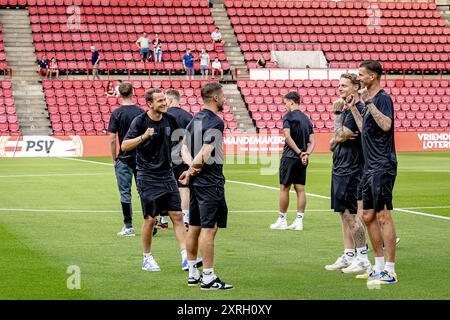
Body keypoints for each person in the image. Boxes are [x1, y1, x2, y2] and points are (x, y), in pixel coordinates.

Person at [121, 88, 188, 271]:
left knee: (177, 215)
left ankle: (185, 257)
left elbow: (181, 137)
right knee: (150, 219)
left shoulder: (170, 119)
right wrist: (144, 136)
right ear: (149, 104)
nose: (164, 103)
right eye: (159, 101)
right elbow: (125, 145)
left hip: (167, 174)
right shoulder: (140, 121)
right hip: (147, 176)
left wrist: (175, 153)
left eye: (164, 100)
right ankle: (147, 258)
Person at [346, 60, 399, 285]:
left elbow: (386, 125)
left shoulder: (383, 98)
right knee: (367, 216)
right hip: (369, 166)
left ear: (372, 77)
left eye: (361, 74)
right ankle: (377, 267)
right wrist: (354, 107)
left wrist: (369, 103)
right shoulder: (369, 102)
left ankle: (390, 270)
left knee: (383, 215)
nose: (358, 78)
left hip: (382, 165)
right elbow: (363, 129)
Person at [179, 82, 233, 290]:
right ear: (216, 98)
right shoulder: (216, 122)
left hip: (197, 183)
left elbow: (183, 148)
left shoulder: (195, 119)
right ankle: (208, 277)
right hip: (210, 182)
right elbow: (206, 151)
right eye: (223, 96)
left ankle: (193, 273)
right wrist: (193, 167)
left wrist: (190, 169)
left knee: (194, 227)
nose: (225, 100)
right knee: (209, 229)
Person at [325, 73, 370, 273]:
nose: (340, 88)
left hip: (352, 169)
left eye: (344, 85)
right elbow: (332, 143)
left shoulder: (356, 110)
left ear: (355, 87)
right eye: (339, 85)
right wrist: (338, 136)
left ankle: (362, 257)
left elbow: (338, 135)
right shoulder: (345, 110)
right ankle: (349, 254)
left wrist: (336, 119)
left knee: (352, 216)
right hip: (340, 168)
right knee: (344, 215)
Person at [270, 92, 316, 231]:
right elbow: (312, 140)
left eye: (285, 103)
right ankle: (299, 221)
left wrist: (299, 152)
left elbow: (287, 137)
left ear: (291, 102)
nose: (284, 106)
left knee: (284, 188)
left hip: (290, 157)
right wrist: (306, 154)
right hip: (302, 159)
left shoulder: (288, 117)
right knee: (300, 189)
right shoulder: (306, 119)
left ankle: (282, 220)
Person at [107, 83, 145, 237]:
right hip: (141, 158)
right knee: (144, 191)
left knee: (125, 193)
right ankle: (151, 222)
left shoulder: (117, 113)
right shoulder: (141, 112)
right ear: (133, 93)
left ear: (119, 95)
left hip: (124, 158)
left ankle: (128, 226)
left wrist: (114, 158)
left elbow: (111, 138)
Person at [158, 89, 194, 232]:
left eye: (165, 100)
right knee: (184, 189)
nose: (164, 102)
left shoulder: (163, 116)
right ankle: (185, 219)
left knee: (164, 188)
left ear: (171, 100)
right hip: (183, 157)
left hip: (165, 158)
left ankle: (164, 220)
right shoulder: (189, 116)